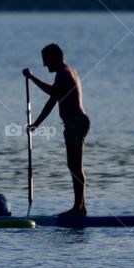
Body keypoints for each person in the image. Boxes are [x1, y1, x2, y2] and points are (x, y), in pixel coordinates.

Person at [23, 43, 90, 217]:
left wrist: (32, 77)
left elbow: (52, 91)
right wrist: (35, 124)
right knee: (74, 166)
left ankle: (78, 209)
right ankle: (80, 208)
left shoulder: (65, 74)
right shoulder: (63, 74)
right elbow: (51, 101)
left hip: (76, 123)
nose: (45, 65)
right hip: (74, 123)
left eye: (46, 60)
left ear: (56, 57)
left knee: (75, 166)